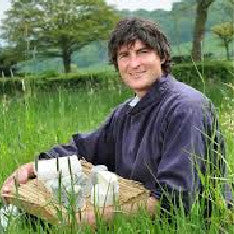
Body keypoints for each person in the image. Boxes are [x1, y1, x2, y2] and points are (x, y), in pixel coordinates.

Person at [1, 17, 230, 225]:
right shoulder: (124, 112)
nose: (134, 63)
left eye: (143, 52)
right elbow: (84, 150)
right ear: (116, 64)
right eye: (124, 55)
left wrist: (89, 220)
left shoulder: (186, 107)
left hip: (197, 223)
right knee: (28, 217)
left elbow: (176, 200)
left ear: (162, 56)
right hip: (141, 216)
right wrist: (35, 167)